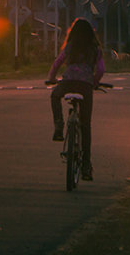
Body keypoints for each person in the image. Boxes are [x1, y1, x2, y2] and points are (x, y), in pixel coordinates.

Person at [46, 17, 106, 181]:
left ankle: (59, 126)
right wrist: (94, 82)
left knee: (55, 95)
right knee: (85, 125)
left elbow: (57, 62)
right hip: (85, 87)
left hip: (68, 83)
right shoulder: (95, 49)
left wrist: (51, 78)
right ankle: (86, 166)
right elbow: (101, 69)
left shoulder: (70, 46)